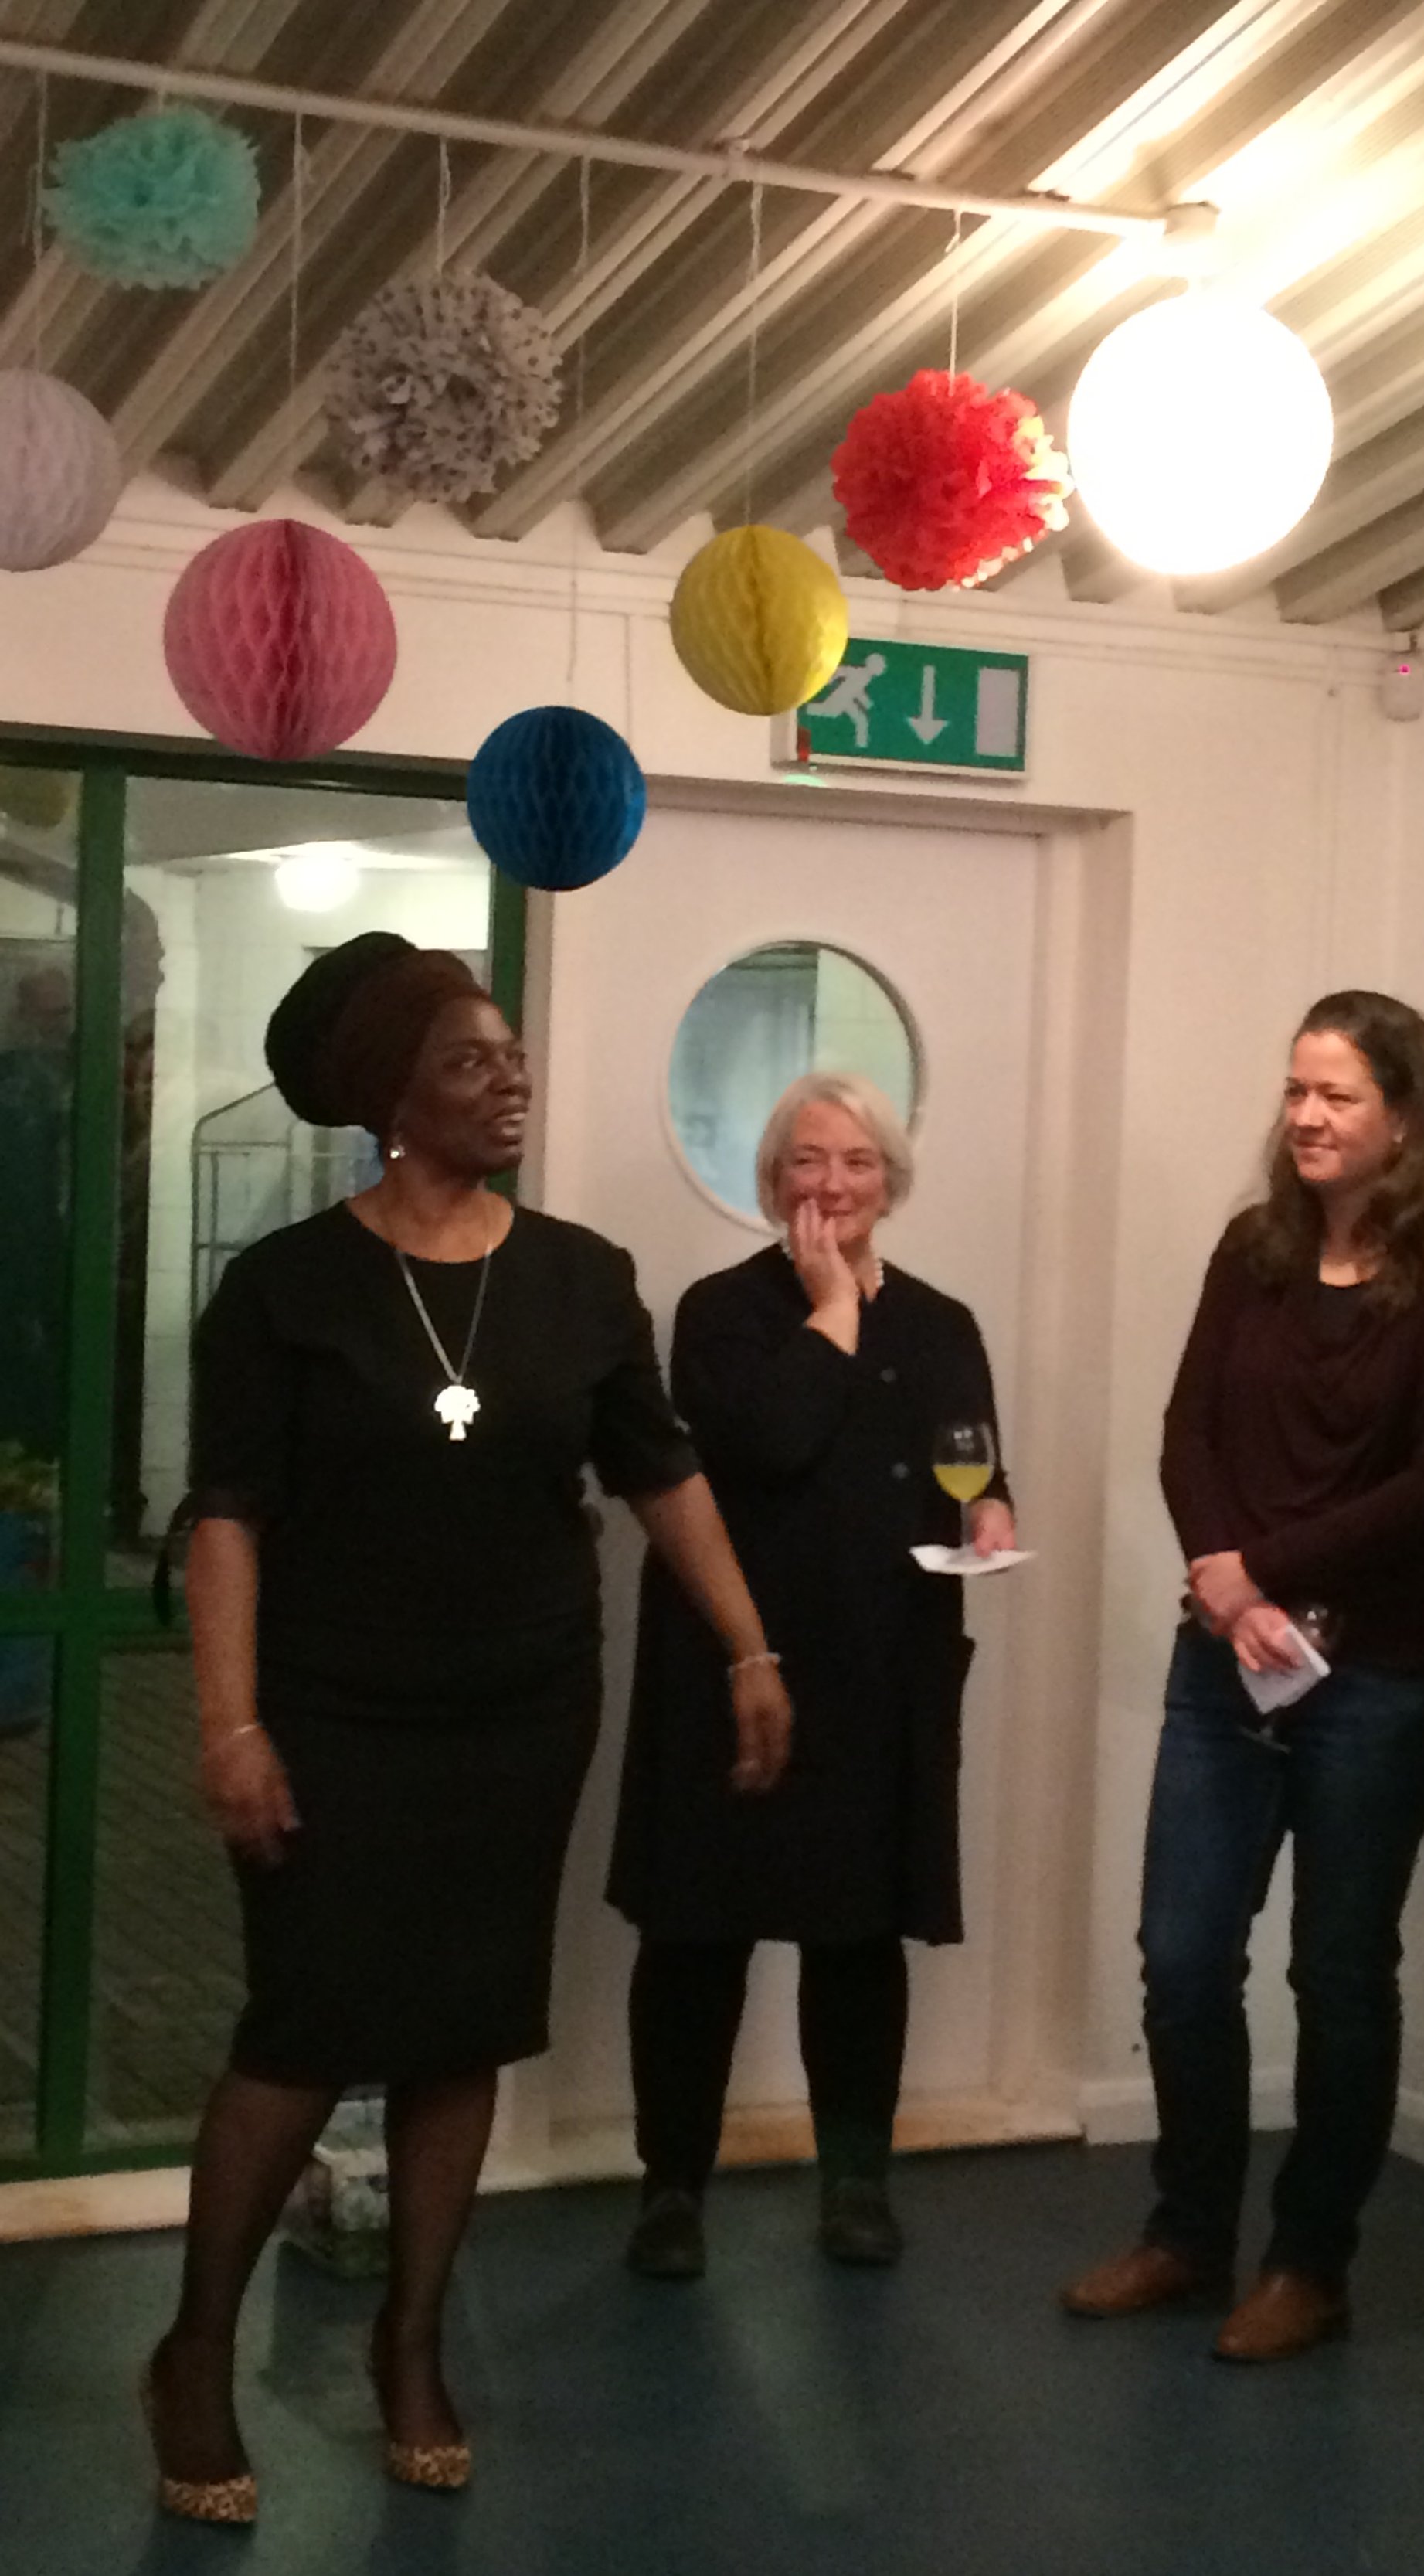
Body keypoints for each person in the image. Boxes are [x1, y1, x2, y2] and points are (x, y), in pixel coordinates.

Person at [144, 933, 790, 2524]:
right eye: (465, 1061)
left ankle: (411, 2343)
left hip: (518, 1709)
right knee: (299, 2031)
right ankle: (195, 2350)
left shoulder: (579, 1275)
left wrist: (749, 1644)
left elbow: (660, 1470)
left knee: (461, 2025)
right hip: (332, 1711)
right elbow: (224, 1514)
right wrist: (227, 1721)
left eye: (508, 1055)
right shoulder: (285, 1287)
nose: (505, 1081)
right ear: (386, 1097)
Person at [1062, 992, 1424, 2360]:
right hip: (1225, 1662)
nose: (1304, 1115)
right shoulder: (1255, 1251)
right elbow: (1187, 1425)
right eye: (1297, 1089)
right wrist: (1222, 1574)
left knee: (1340, 1973)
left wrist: (1268, 1570)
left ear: (1404, 1118)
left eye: (1337, 1096)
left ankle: (1310, 2260)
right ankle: (1188, 2233)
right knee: (1183, 1958)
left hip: (1380, 1673)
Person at [608, 1070, 1014, 2275]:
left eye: (856, 1163)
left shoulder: (942, 1322)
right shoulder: (720, 1312)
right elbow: (773, 1440)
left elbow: (977, 1462)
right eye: (806, 1160)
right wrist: (833, 1309)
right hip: (736, 1665)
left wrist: (991, 1511)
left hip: (883, 1667)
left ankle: (854, 2181)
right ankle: (671, 2188)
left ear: (891, 1179)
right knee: (696, 1936)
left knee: (856, 1939)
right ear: (771, 1175)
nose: (830, 1185)